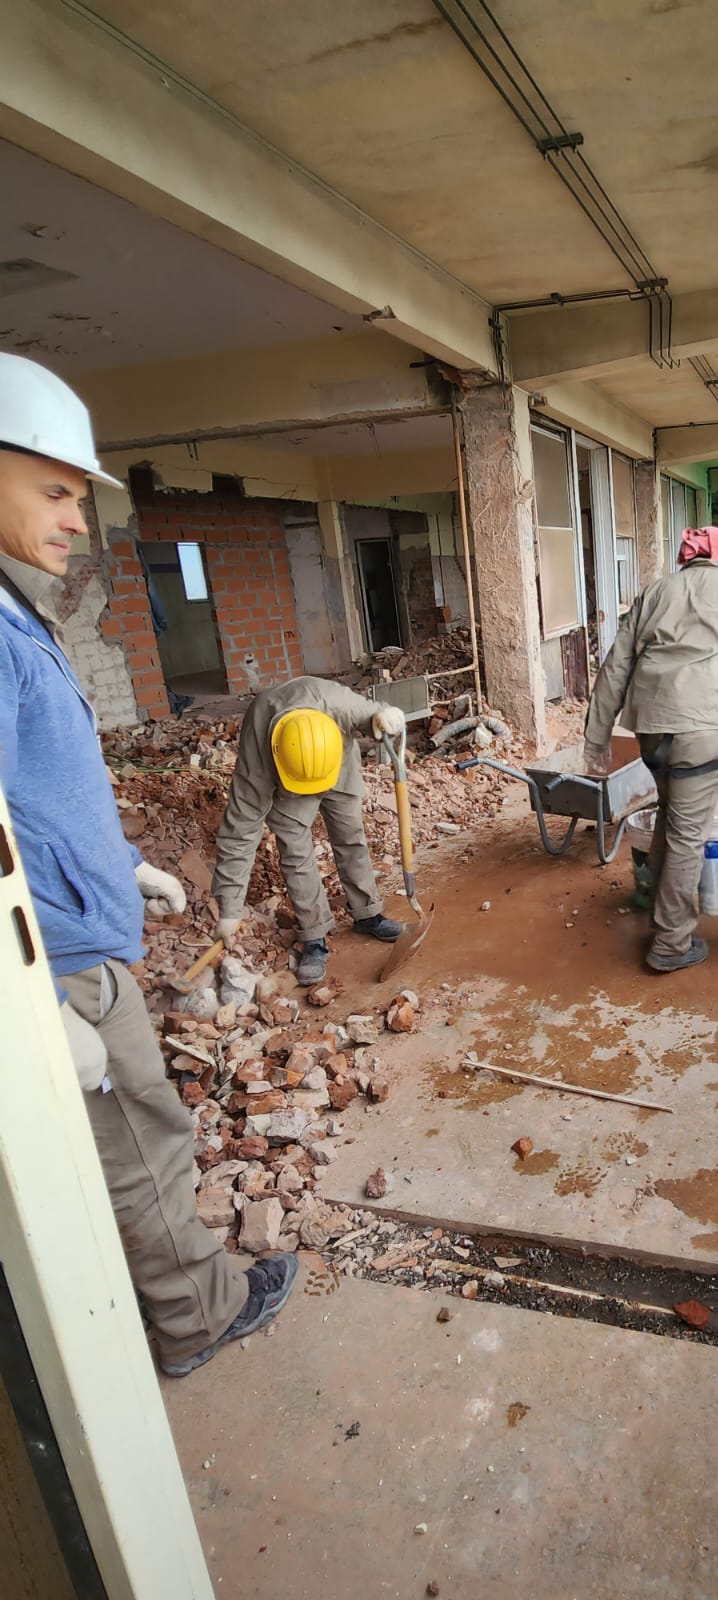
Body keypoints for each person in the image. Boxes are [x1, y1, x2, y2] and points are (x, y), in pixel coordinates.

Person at [0, 351, 297, 1376]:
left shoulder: (15, 618)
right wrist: (20, 1002)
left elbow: (29, 799)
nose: (78, 521)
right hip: (59, 970)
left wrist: (120, 861)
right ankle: (198, 1317)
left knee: (135, 1141)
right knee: (146, 1145)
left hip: (76, 936)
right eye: (53, 491)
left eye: (78, 498)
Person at [584, 524, 718, 972]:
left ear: (687, 558)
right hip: (703, 732)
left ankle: (655, 900)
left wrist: (597, 737)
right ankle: (671, 943)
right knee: (689, 834)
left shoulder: (654, 592)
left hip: (652, 731)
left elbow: (616, 667)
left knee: (672, 814)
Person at [213, 680, 407, 985]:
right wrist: (230, 906)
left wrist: (384, 717)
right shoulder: (260, 749)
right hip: (291, 776)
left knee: (351, 837)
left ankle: (368, 913)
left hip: (336, 765)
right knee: (295, 851)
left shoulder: (338, 702)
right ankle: (314, 937)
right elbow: (241, 826)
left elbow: (373, 714)